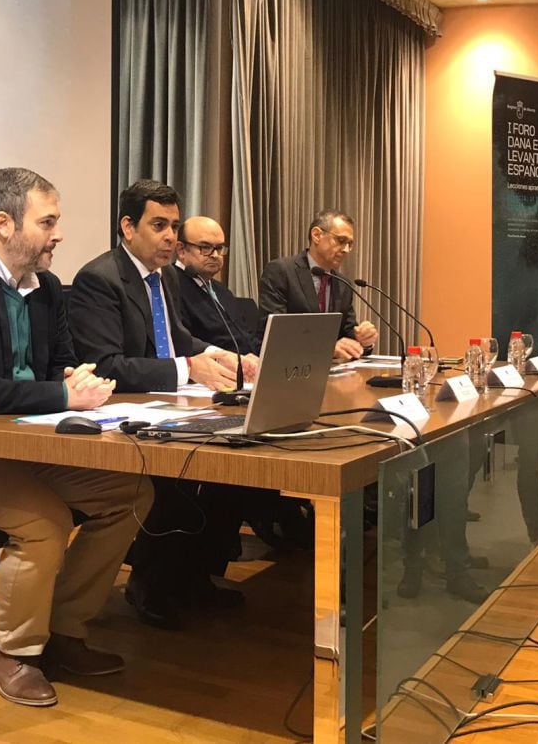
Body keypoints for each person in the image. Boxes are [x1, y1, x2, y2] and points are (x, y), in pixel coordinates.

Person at [0, 167, 153, 708]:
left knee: (132, 495)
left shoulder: (48, 288)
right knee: (45, 522)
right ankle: (10, 648)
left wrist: (76, 379)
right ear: (4, 224)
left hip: (35, 444)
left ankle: (62, 627)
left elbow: (62, 365)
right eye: (47, 221)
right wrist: (61, 395)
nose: (59, 234)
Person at [68, 180, 251, 630]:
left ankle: (193, 576)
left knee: (238, 467)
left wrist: (223, 356)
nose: (171, 236)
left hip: (167, 403)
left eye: (173, 225)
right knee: (176, 476)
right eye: (159, 225)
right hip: (123, 413)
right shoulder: (100, 279)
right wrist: (190, 368)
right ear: (128, 227)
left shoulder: (163, 277)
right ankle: (150, 582)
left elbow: (177, 339)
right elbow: (108, 363)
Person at [258, 209, 378, 360]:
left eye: (350, 244)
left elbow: (347, 335)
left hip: (331, 372)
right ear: (317, 235)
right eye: (341, 241)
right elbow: (275, 333)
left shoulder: (343, 284)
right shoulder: (281, 271)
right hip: (288, 367)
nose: (346, 250)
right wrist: (327, 348)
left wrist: (363, 340)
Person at [173, 215, 258, 356]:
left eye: (219, 248)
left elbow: (246, 337)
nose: (215, 255)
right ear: (181, 250)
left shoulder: (221, 290)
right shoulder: (170, 285)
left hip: (247, 368)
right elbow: (183, 343)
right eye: (205, 247)